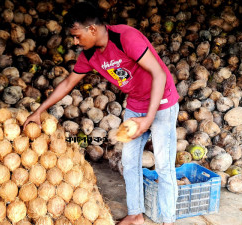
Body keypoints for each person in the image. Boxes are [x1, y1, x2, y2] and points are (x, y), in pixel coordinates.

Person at [23, 2, 179, 225]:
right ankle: (135, 215)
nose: (75, 42)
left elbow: (159, 74)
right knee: (128, 160)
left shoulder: (126, 37)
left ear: (92, 29)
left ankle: (169, 221)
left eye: (77, 36)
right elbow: (68, 83)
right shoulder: (89, 55)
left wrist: (149, 119)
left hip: (162, 101)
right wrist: (39, 111)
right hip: (136, 103)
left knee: (164, 165)